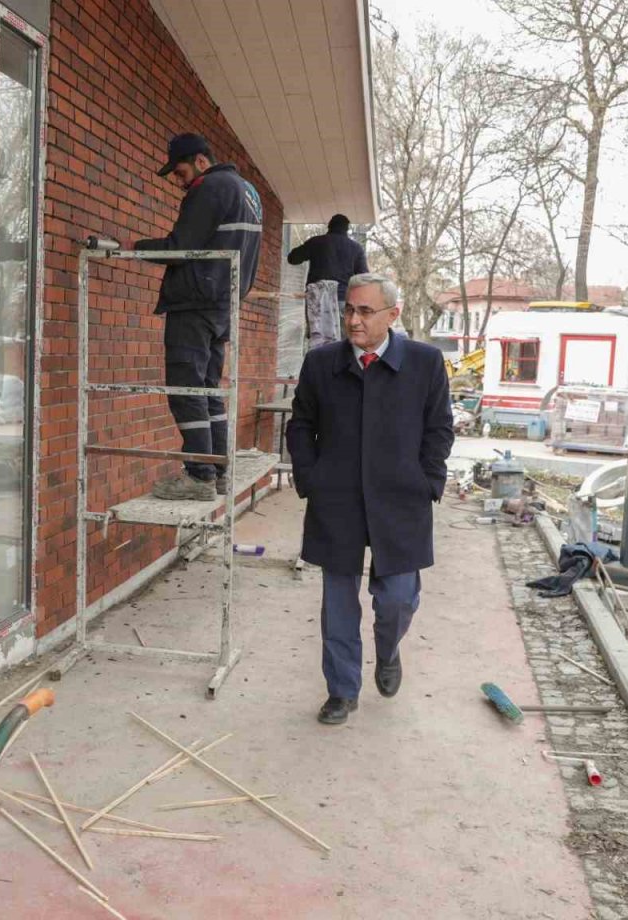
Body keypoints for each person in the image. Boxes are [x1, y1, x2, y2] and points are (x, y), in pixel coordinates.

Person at [286, 273, 454, 725]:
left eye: (364, 311)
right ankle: (341, 690)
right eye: (349, 310)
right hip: (336, 498)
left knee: (397, 598)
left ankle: (388, 650)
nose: (353, 320)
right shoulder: (321, 364)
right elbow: (300, 424)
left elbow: (440, 428)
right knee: (338, 602)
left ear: (393, 315)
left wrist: (428, 481)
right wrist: (310, 477)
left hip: (401, 498)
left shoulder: (425, 363)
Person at [134, 133, 263, 501]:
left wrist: (132, 249)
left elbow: (180, 248)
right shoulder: (249, 191)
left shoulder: (211, 186)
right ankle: (218, 471)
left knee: (185, 389)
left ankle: (199, 476)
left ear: (201, 161)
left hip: (196, 302)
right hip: (223, 304)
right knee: (208, 391)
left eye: (180, 171)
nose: (179, 181)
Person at [287, 215, 368, 349]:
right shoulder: (356, 248)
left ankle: (318, 367)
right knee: (343, 342)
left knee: (317, 339)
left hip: (317, 299)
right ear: (347, 229)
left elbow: (292, 258)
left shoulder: (316, 242)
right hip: (342, 299)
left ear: (329, 226)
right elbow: (364, 277)